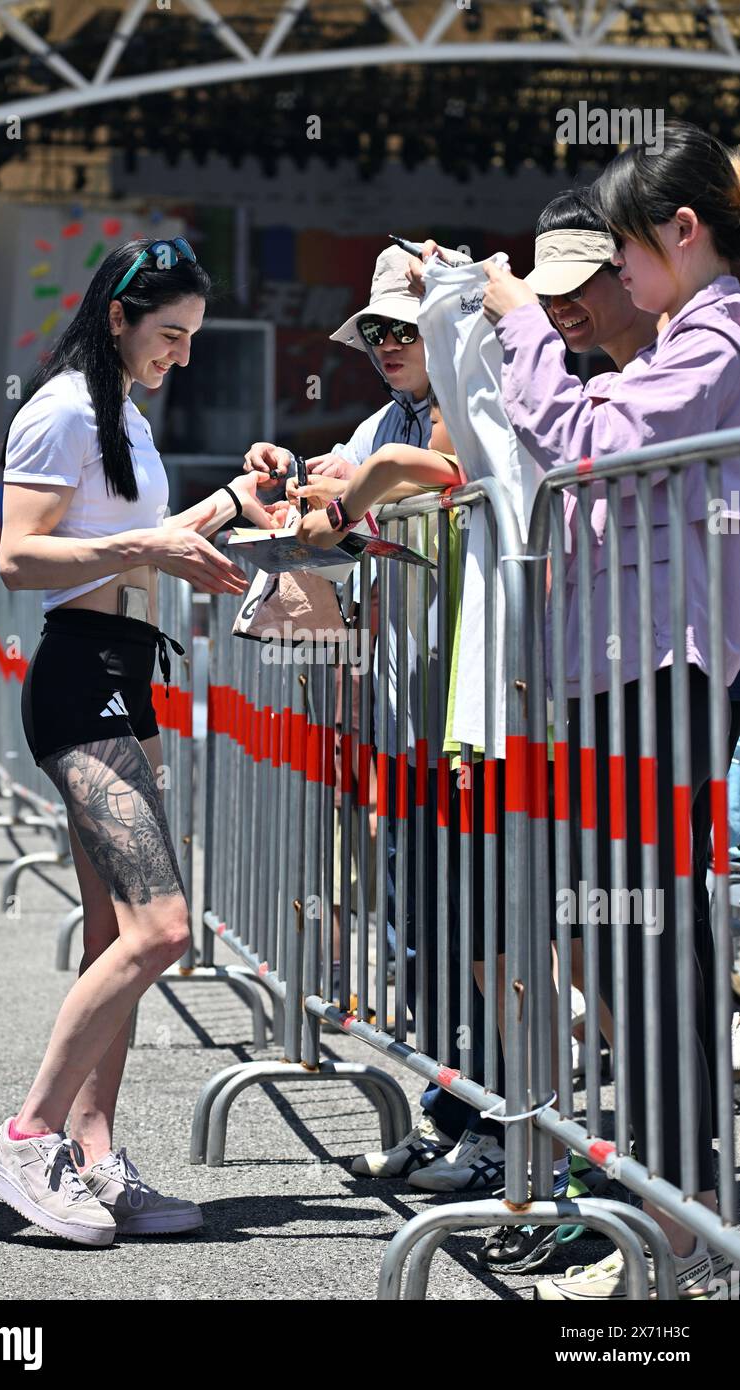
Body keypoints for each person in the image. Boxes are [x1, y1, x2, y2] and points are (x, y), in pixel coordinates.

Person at [479, 120, 740, 1299]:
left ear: (683, 234)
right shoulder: (689, 343)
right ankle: (671, 1205)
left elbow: (591, 441)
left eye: (627, 249)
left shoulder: (723, 338)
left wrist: (518, 328)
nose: (616, 276)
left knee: (647, 942)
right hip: (629, 676)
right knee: (639, 942)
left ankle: (680, 1217)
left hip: (659, 678)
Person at [0, 236, 274, 1247]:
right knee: (163, 931)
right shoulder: (59, 408)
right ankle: (27, 1133)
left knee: (118, 939)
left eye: (193, 337)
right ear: (119, 317)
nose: (181, 355)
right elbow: (18, 557)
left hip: (124, 683)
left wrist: (232, 501)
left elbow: (140, 541)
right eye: (170, 334)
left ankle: (97, 1157)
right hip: (79, 686)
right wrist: (145, 544)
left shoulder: (123, 418)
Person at [247, 248, 508, 1191]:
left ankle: (500, 1132)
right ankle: (451, 1113)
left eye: (407, 325)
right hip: (405, 717)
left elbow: (411, 479)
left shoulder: (487, 403)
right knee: (417, 929)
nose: (390, 345)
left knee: (480, 934)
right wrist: (293, 473)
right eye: (378, 331)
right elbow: (339, 495)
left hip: (473, 717)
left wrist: (352, 488)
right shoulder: (380, 419)